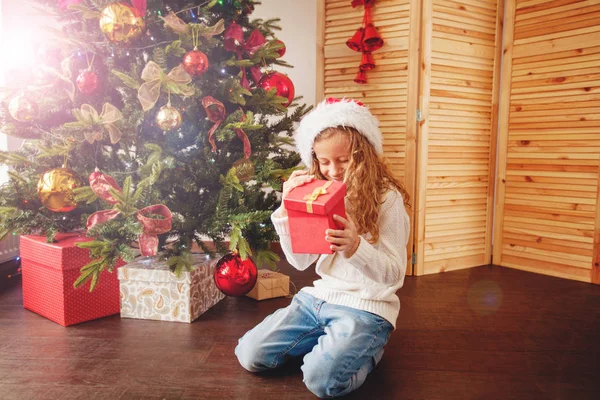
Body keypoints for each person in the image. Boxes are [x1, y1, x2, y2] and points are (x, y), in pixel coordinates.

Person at [235, 97, 411, 398]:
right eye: (324, 161)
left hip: (366, 308)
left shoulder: (387, 198)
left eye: (344, 160)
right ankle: (328, 340)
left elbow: (393, 275)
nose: (333, 170)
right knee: (249, 354)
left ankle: (370, 350)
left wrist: (356, 247)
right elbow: (301, 262)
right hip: (317, 300)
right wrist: (287, 211)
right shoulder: (319, 192)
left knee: (322, 382)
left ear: (365, 153)